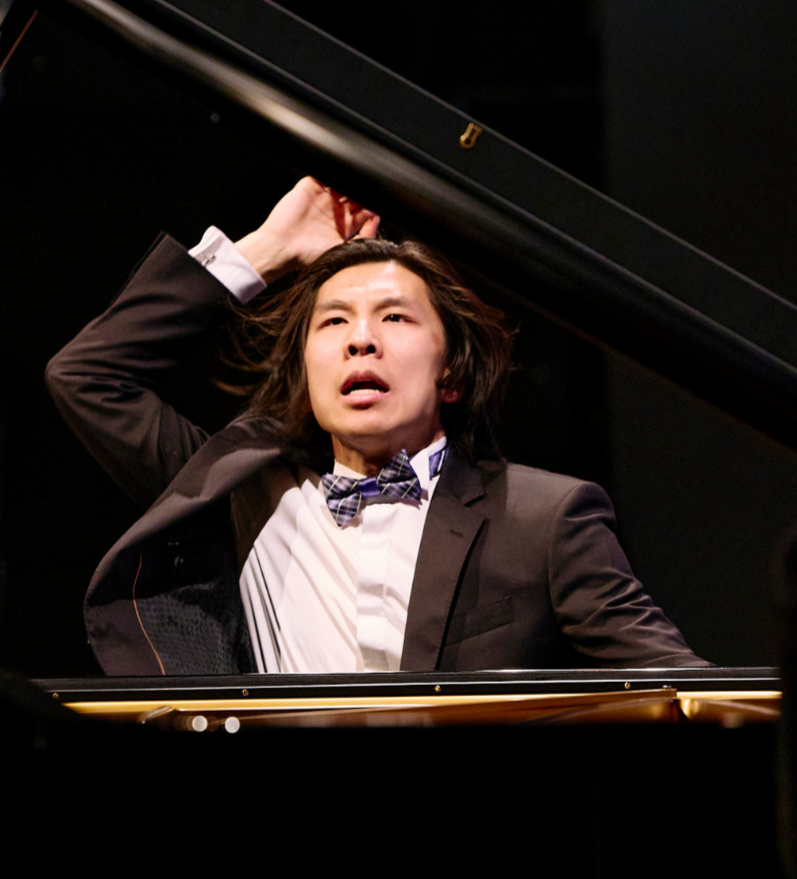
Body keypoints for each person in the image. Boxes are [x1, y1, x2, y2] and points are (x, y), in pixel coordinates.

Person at [47, 177, 709, 675]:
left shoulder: (544, 516)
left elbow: (679, 686)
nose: (360, 340)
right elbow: (88, 374)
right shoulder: (237, 492)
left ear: (449, 373)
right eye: (333, 321)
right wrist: (267, 251)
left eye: (393, 318)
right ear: (306, 372)